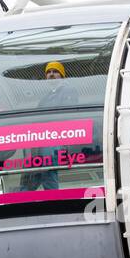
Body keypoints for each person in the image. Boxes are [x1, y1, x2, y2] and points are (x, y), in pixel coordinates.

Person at [25, 61, 76, 191]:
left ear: (62, 75)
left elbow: (68, 115)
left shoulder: (68, 91)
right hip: (44, 139)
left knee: (47, 171)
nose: (51, 74)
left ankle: (54, 200)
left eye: (55, 71)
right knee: (37, 173)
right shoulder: (46, 96)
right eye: (48, 72)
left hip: (55, 138)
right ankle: (21, 196)